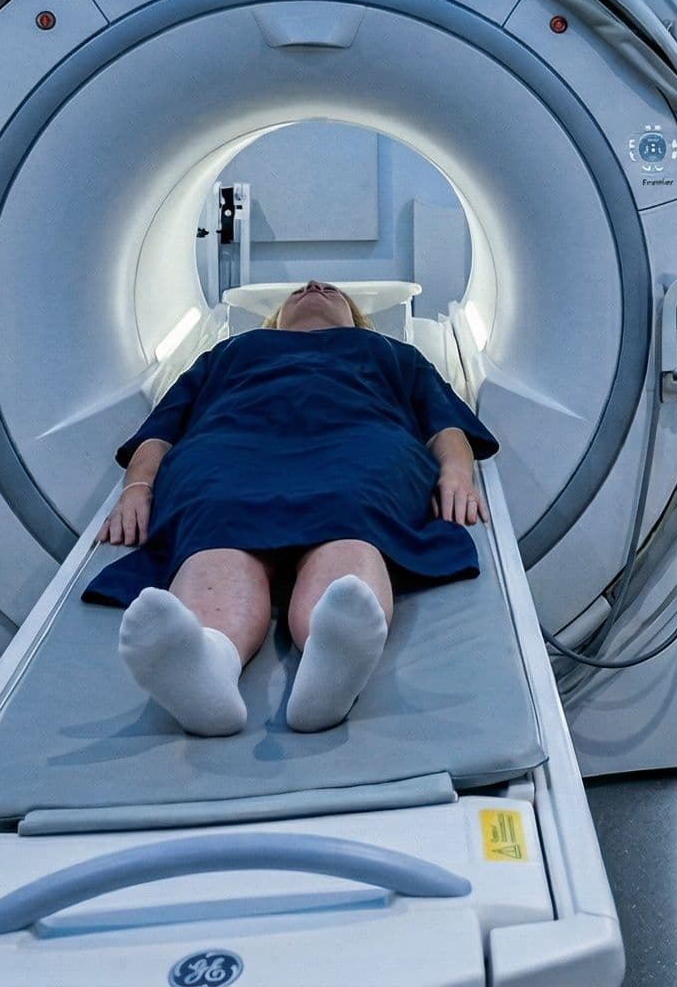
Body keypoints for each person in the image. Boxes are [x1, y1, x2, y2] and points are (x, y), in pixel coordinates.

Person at [87, 280, 496, 736]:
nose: (314, 285)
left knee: (353, 507)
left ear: (357, 320)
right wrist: (138, 486)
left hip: (358, 441)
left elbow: (445, 427)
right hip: (230, 447)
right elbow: (159, 434)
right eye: (299, 290)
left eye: (335, 291)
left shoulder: (391, 352)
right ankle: (207, 667)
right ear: (274, 320)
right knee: (214, 517)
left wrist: (456, 474)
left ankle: (332, 665)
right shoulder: (230, 352)